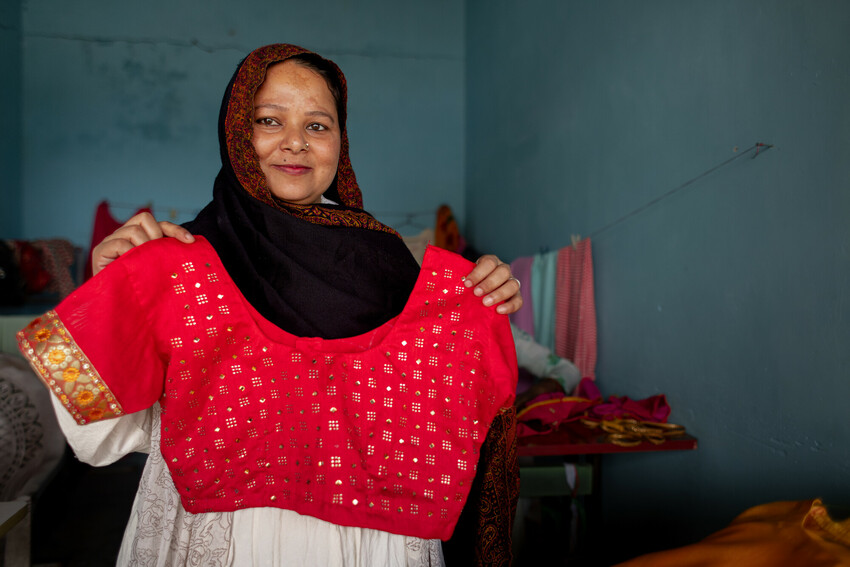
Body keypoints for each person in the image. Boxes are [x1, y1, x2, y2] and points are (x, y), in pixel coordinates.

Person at [19, 44, 522, 567]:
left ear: (341, 143)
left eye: (318, 126)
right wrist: (111, 293)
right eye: (269, 120)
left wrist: (485, 299)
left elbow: (450, 416)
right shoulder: (186, 258)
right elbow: (102, 440)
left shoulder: (389, 265)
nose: (295, 143)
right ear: (237, 130)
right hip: (211, 532)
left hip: (366, 540)